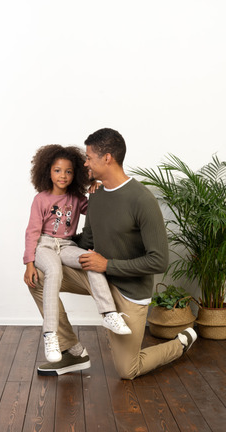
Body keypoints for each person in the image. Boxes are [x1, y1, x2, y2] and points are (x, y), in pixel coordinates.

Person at [26, 129, 197, 379]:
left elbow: (159, 261)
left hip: (129, 291)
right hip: (99, 277)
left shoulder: (142, 200)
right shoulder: (96, 195)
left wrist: (107, 265)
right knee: (37, 277)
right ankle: (72, 351)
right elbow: (88, 240)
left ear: (107, 158)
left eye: (89, 157)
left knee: (128, 370)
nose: (85, 163)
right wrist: (52, 243)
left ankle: (180, 343)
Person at [23, 144, 131, 363]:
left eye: (69, 171)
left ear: (76, 174)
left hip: (66, 245)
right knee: (53, 271)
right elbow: (32, 232)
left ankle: (109, 314)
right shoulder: (41, 199)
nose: (63, 175)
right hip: (44, 245)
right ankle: (50, 334)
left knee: (90, 260)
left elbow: (95, 211)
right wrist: (29, 263)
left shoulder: (76, 198)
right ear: (47, 172)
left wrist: (95, 187)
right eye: (57, 170)